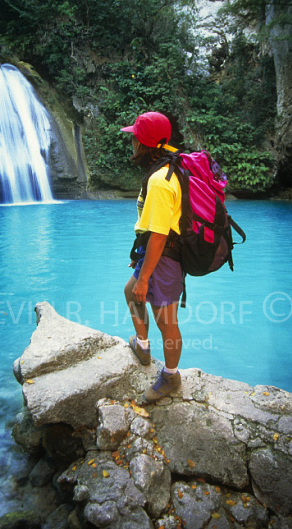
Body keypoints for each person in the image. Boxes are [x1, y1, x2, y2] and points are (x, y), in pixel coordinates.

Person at [121, 111, 185, 403]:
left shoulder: (160, 180)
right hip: (154, 252)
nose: (131, 141)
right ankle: (143, 346)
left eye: (134, 137)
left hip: (164, 258)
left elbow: (159, 234)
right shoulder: (165, 166)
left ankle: (171, 376)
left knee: (166, 321)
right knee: (129, 292)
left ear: (142, 143)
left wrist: (145, 277)